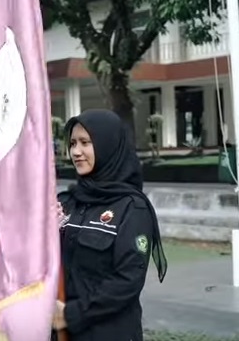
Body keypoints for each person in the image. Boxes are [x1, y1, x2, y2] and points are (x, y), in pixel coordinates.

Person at [53, 109, 167, 340]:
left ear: (108, 145)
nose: (76, 151)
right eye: (73, 143)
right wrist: (45, 232)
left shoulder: (132, 207)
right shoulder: (66, 202)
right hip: (63, 333)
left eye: (85, 142)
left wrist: (71, 314)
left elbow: (127, 280)